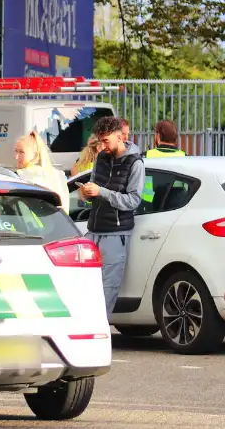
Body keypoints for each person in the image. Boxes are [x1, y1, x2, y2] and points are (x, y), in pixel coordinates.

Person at [78, 116, 145, 317]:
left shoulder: (135, 163)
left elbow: (134, 200)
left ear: (119, 137)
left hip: (116, 233)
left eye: (106, 141)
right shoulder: (101, 158)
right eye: (100, 141)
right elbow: (94, 189)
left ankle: (99, 331)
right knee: (82, 283)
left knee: (108, 287)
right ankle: (84, 327)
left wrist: (101, 192)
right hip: (93, 229)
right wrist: (86, 194)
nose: (103, 146)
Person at [14, 131, 70, 215]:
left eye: (21, 152)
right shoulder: (58, 175)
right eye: (16, 151)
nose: (16, 157)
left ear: (35, 155)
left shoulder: (20, 175)